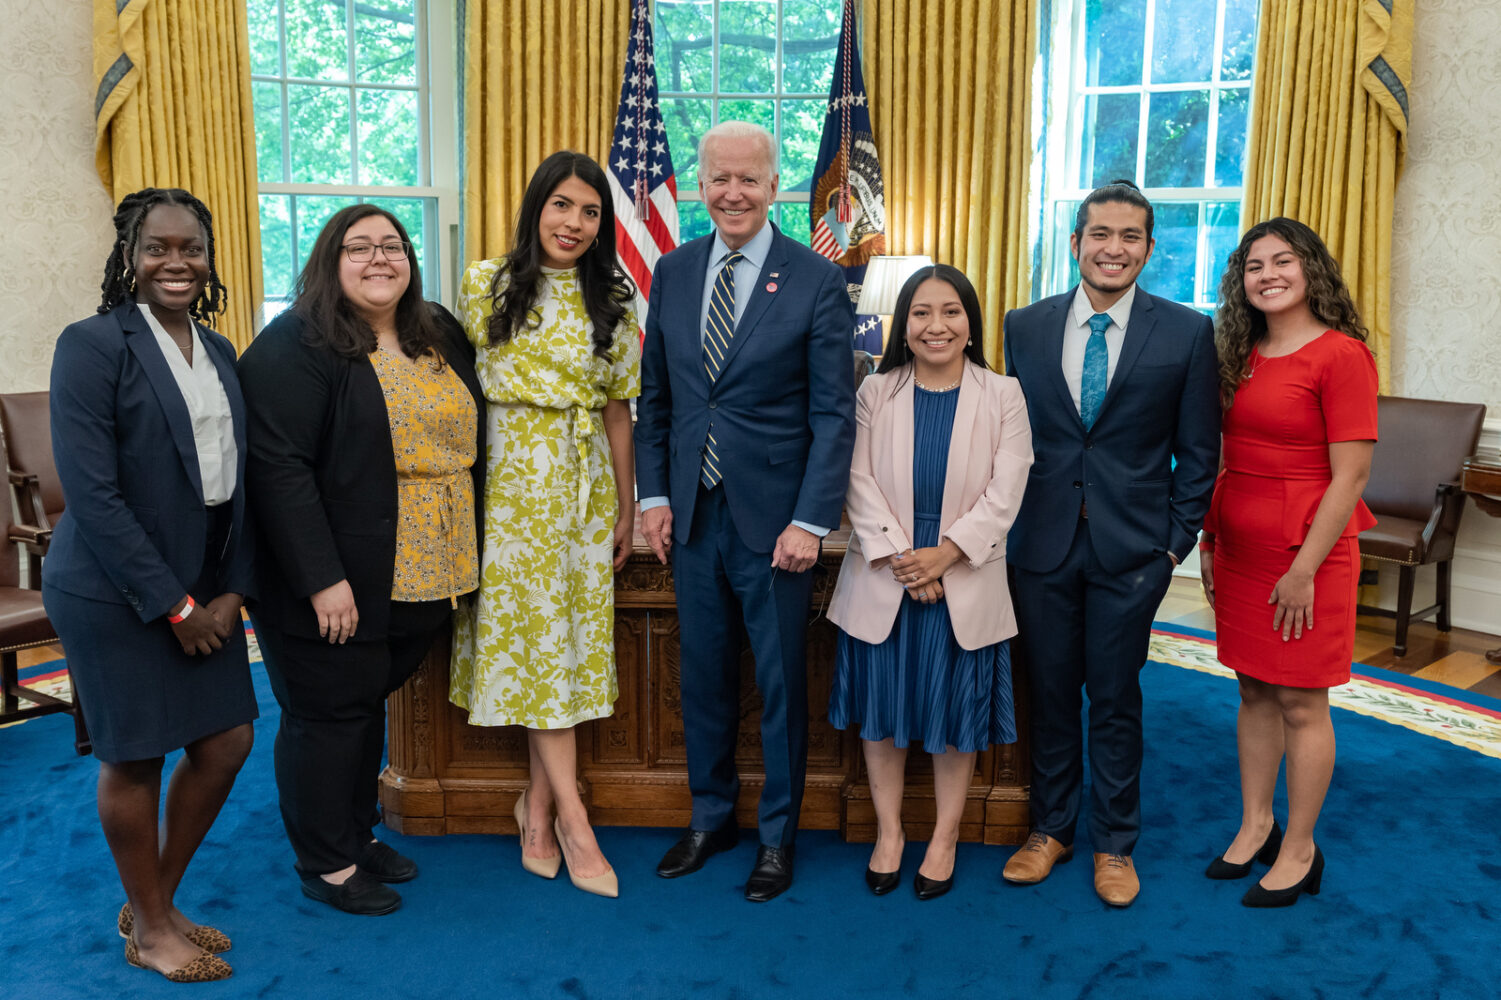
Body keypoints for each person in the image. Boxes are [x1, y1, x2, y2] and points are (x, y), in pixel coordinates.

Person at [238, 204, 485, 916]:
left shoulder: (435, 330)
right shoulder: (298, 343)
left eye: (392, 246)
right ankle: (325, 861)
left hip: (428, 567)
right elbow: (276, 469)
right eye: (359, 247)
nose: (380, 259)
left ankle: (355, 832)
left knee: (362, 703)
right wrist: (323, 581)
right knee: (325, 713)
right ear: (328, 260)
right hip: (334, 574)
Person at [635, 120, 856, 902]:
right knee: (702, 677)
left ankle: (777, 836)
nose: (732, 192)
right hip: (693, 514)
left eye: (749, 179)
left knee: (779, 684)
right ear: (700, 186)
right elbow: (657, 399)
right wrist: (653, 495)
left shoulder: (815, 280)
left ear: (774, 187)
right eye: (718, 178)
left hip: (776, 526)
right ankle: (710, 817)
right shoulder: (672, 270)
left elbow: (835, 415)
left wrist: (810, 520)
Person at [42, 188, 255, 982]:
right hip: (111, 589)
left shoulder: (221, 350)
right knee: (134, 759)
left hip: (205, 586)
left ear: (208, 257)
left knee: (229, 739)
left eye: (191, 248)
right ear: (128, 257)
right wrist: (172, 604)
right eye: (158, 247)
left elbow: (241, 481)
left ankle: (154, 900)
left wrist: (233, 588)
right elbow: (91, 496)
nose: (177, 262)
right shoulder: (92, 345)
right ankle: (156, 928)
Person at [1000, 180, 1220, 907]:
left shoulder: (1185, 333)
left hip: (1133, 552)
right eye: (1100, 234)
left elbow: (1198, 450)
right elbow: (1008, 435)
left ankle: (1114, 844)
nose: (1113, 248)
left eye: (1129, 237)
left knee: (1116, 698)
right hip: (1039, 543)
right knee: (1052, 693)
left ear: (1148, 249)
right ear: (1075, 243)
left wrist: (1172, 546)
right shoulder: (1023, 326)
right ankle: (1051, 829)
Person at [448, 151, 639, 899]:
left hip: (583, 486)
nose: (574, 223)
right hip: (508, 488)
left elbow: (619, 410)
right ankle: (572, 820)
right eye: (562, 205)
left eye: (590, 212)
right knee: (533, 643)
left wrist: (625, 506)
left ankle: (538, 808)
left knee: (560, 650)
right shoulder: (482, 283)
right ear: (537, 208)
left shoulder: (614, 297)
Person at [827, 265, 1032, 900]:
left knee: (955, 719)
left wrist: (944, 556)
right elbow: (855, 481)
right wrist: (902, 559)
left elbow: (1007, 491)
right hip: (886, 576)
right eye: (920, 312)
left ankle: (943, 838)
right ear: (903, 324)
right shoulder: (873, 391)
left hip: (962, 579)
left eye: (950, 311)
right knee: (882, 718)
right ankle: (889, 833)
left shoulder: (1004, 395)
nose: (935, 325)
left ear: (971, 322)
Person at [1199, 217, 1377, 907]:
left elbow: (1350, 478)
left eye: (1282, 261)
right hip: (1239, 546)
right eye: (1252, 265)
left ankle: (1300, 847)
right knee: (1250, 689)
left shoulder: (1341, 356)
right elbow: (1225, 459)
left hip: (1307, 553)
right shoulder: (1238, 352)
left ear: (1310, 271)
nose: (1266, 274)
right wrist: (1212, 543)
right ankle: (1255, 824)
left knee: (1301, 701)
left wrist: (1303, 567)